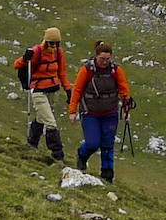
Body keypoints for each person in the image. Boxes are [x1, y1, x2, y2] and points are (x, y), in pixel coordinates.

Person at [69, 41, 133, 183]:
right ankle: (82, 155)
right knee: (93, 143)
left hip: (110, 113)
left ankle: (107, 174)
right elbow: (77, 90)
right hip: (90, 112)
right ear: (96, 56)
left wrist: (127, 112)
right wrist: (72, 111)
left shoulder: (116, 71)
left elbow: (124, 91)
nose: (105, 62)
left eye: (107, 59)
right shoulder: (86, 70)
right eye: (102, 59)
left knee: (107, 144)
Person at [14, 27, 71, 163]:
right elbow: (17, 65)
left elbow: (61, 72)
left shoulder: (59, 53)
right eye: (52, 43)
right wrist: (24, 58)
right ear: (46, 41)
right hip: (38, 90)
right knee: (51, 122)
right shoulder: (36, 51)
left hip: (53, 90)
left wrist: (68, 90)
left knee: (41, 118)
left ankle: (32, 143)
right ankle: (57, 155)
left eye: (57, 43)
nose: (54, 46)